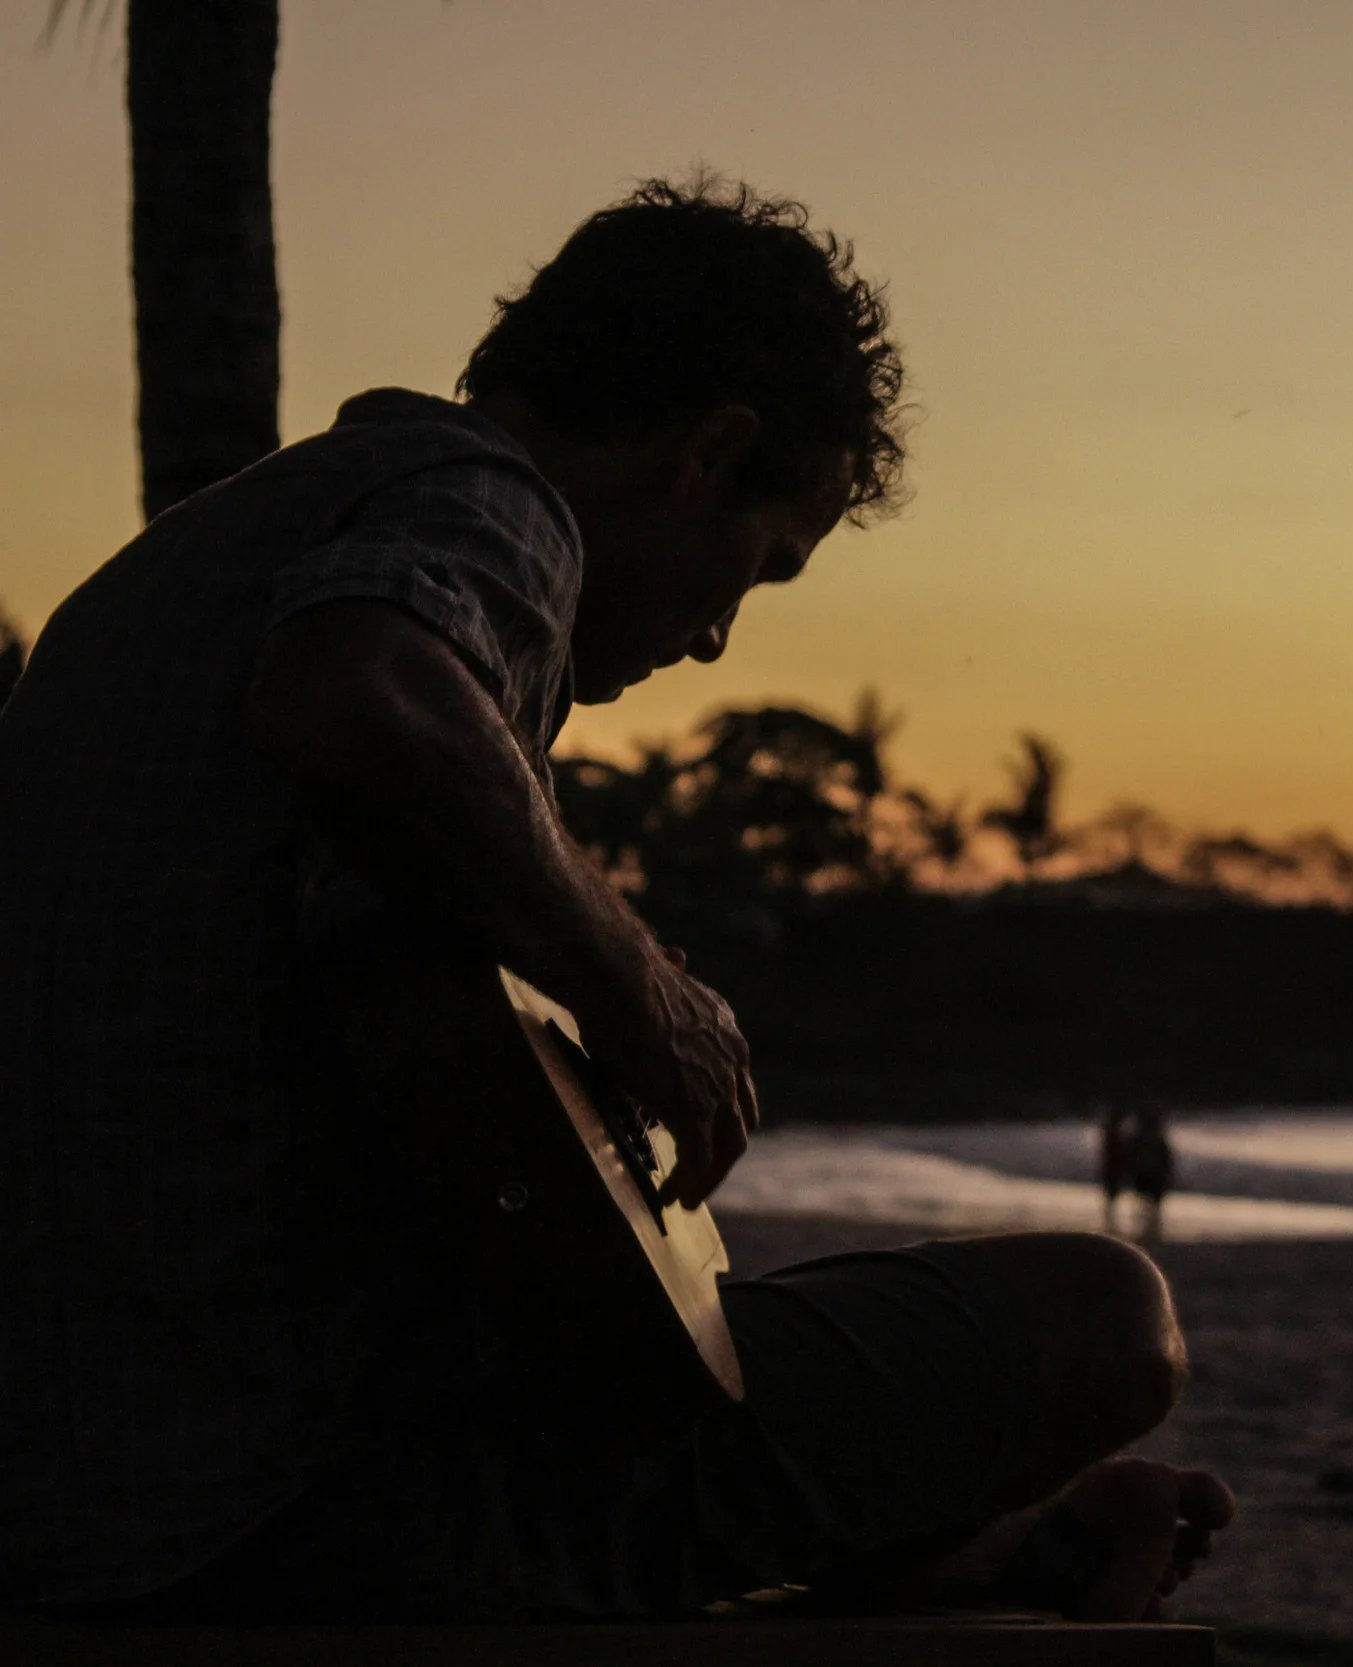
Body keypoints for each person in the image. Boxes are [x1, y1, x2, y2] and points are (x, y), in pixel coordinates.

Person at [0, 176, 1230, 1622]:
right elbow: (360, 689)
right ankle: (956, 1549)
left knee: (682, 1359)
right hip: (287, 1518)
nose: (714, 637)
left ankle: (966, 1558)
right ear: (711, 452)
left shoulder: (186, 562)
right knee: (1110, 1316)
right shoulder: (495, 509)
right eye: (761, 571)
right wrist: (639, 987)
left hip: (79, 1489)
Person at [1129, 1107, 1177, 1242]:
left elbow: (1166, 1159)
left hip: (1152, 1173)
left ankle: (1151, 1225)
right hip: (1148, 1173)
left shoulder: (1148, 1137)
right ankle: (1151, 1226)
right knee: (1149, 1202)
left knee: (1149, 1202)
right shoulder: (1152, 1137)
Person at [1098, 1103, 1134, 1233]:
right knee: (1112, 1192)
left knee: (1112, 1193)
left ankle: (1110, 1216)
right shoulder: (1113, 1132)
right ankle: (1110, 1218)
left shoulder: (1111, 1130)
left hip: (1112, 1165)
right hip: (1113, 1166)